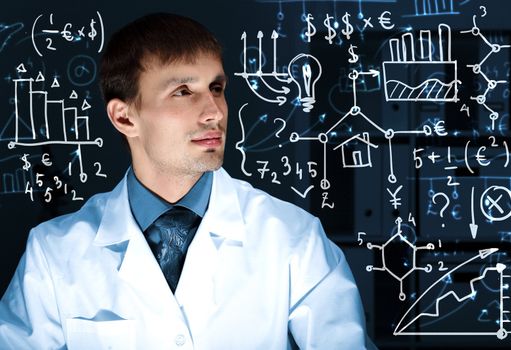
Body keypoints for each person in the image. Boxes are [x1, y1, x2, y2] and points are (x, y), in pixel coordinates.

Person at [0, 13, 372, 349]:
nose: (214, 112)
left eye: (216, 88)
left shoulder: (294, 239)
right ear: (125, 117)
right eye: (183, 92)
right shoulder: (54, 253)